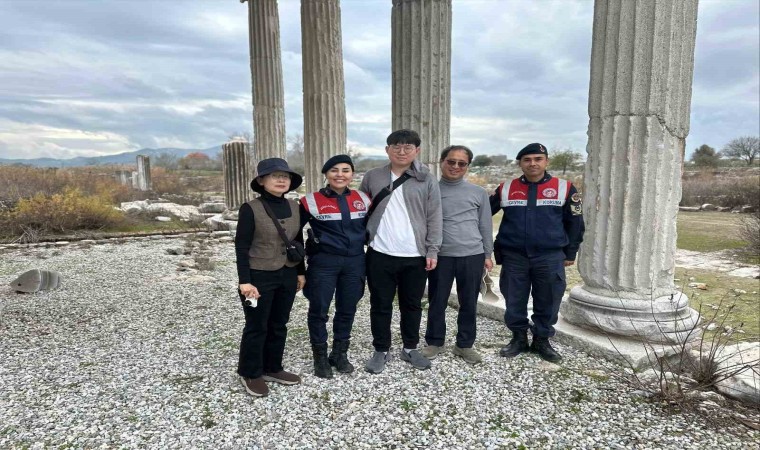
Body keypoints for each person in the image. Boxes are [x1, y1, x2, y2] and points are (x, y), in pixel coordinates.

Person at [490, 143, 584, 363]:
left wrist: (570, 253)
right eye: (527, 159)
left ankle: (542, 340)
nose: (532, 163)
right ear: (520, 163)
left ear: (546, 161)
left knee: (549, 300)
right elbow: (483, 213)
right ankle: (519, 338)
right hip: (514, 257)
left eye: (538, 159)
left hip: (549, 257)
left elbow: (576, 223)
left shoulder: (565, 188)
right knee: (514, 300)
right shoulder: (506, 188)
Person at [360, 129, 443, 373]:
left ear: (417, 151)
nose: (402, 151)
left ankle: (410, 347)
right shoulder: (373, 176)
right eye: (396, 146)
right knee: (380, 304)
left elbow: (435, 216)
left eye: (408, 147)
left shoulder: (426, 179)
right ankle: (381, 349)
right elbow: (361, 208)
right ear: (387, 150)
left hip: (414, 254)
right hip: (380, 252)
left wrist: (432, 250)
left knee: (412, 304)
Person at [235, 158, 306, 397]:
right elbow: (241, 246)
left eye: (285, 176)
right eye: (275, 176)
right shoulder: (250, 208)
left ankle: (272, 367)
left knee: (279, 324)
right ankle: (250, 372)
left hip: (287, 273)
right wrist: (244, 281)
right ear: (262, 180)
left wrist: (301, 271)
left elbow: (298, 241)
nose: (281, 180)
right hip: (258, 276)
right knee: (257, 325)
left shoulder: (295, 207)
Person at [299, 155, 371, 379]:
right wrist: (298, 267)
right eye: (334, 170)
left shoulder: (363, 198)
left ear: (352, 174)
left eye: (345, 170)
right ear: (326, 174)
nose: (340, 175)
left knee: (347, 308)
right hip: (324, 262)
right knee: (319, 309)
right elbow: (293, 234)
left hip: (355, 261)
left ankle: (339, 354)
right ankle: (320, 357)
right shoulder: (310, 201)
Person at [421, 145, 492, 365]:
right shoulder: (429, 190)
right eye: (451, 161)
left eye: (462, 163)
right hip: (440, 255)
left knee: (469, 302)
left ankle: (464, 344)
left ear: (467, 166)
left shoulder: (478, 192)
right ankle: (435, 341)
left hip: (472, 254)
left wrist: (487, 254)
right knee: (437, 300)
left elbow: (485, 225)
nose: (455, 166)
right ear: (442, 162)